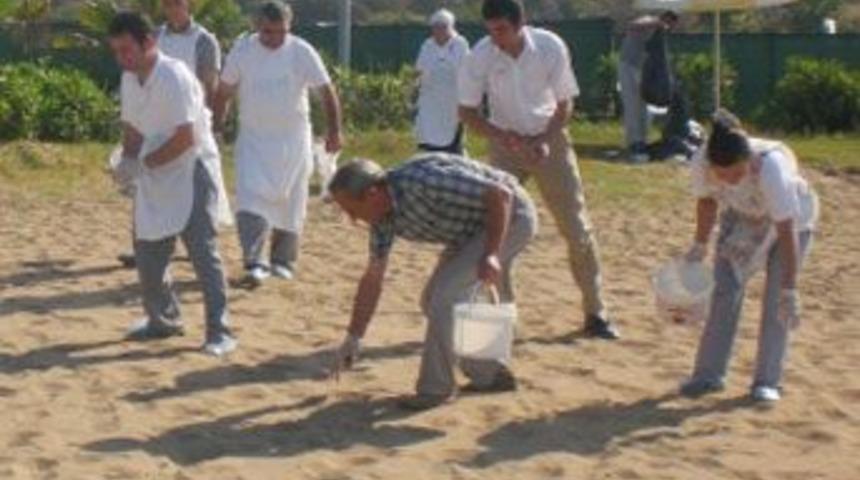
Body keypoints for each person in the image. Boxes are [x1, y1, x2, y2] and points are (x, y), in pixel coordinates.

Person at [458, 0, 619, 340]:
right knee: (496, 233)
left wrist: (545, 138)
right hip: (505, 145)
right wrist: (504, 138)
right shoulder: (481, 55)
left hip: (551, 141)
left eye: (501, 29)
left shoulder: (550, 46)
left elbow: (565, 103)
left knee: (576, 229)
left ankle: (596, 312)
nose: (495, 38)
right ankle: (505, 320)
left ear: (521, 24)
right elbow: (468, 112)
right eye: (490, 30)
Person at [329, 154, 538, 410]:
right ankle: (492, 375)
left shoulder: (424, 181)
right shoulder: (381, 219)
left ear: (372, 194)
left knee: (445, 297)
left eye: (351, 209)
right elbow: (373, 277)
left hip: (511, 216)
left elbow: (500, 194)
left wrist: (492, 254)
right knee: (432, 300)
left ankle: (435, 390)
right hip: (469, 231)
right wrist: (353, 337)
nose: (352, 219)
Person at [107, 11, 236, 356]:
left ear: (148, 42)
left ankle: (220, 331)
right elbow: (133, 129)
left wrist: (143, 164)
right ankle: (162, 320)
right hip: (155, 172)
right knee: (147, 253)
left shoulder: (173, 76)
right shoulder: (129, 79)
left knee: (202, 252)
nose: (122, 58)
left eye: (127, 50)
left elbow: (185, 138)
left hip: (192, 169)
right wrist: (126, 163)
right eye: (116, 51)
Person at [679, 110, 818, 403]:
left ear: (748, 160)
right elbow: (707, 202)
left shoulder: (771, 168)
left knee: (776, 301)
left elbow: (786, 227)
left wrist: (790, 288)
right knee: (724, 290)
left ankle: (767, 381)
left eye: (738, 173)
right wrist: (699, 245)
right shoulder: (702, 162)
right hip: (743, 218)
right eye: (723, 175)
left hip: (792, 225)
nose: (730, 180)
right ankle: (708, 375)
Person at [213, 0, 343, 288]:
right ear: (258, 27)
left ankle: (283, 261)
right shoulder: (243, 50)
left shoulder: (301, 50)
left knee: (292, 201)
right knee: (249, 198)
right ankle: (254, 261)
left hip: (293, 138)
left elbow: (326, 92)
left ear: (289, 27)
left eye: (280, 31)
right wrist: (217, 128)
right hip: (254, 139)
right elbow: (224, 92)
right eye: (268, 32)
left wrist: (335, 131)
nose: (274, 38)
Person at [618, 11, 679, 163]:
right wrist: (656, 22)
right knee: (633, 105)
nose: (670, 28)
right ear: (666, 19)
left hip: (643, 69)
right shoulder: (649, 20)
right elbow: (632, 25)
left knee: (644, 106)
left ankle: (642, 141)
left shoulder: (660, 32)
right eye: (670, 24)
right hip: (629, 65)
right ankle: (634, 142)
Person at [413, 9, 470, 154]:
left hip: (453, 100)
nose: (439, 30)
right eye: (436, 27)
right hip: (430, 100)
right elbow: (419, 70)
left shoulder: (460, 44)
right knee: (428, 133)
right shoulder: (427, 45)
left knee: (453, 137)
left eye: (443, 26)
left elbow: (466, 71)